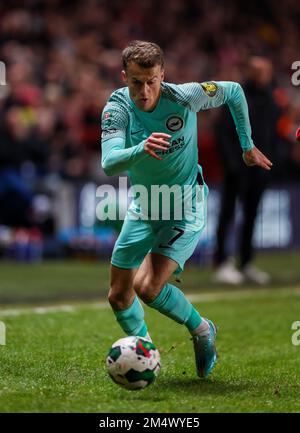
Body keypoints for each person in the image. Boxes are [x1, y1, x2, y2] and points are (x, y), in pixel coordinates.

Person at [100, 41, 272, 378]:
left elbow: (234, 91)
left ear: (162, 75)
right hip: (146, 207)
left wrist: (247, 145)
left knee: (148, 288)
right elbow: (109, 163)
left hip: (184, 206)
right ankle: (144, 352)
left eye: (152, 81)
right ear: (124, 77)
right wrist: (141, 148)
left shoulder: (185, 96)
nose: (145, 91)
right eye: (136, 82)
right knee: (119, 295)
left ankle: (202, 329)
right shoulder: (117, 107)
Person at [213, 57, 280, 285]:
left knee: (252, 216)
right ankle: (222, 262)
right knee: (228, 214)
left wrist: (272, 162)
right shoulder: (236, 95)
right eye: (258, 71)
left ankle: (246, 263)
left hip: (260, 171)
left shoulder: (272, 99)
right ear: (250, 72)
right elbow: (222, 132)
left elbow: (274, 134)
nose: (263, 75)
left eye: (265, 71)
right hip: (237, 169)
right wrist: (232, 163)